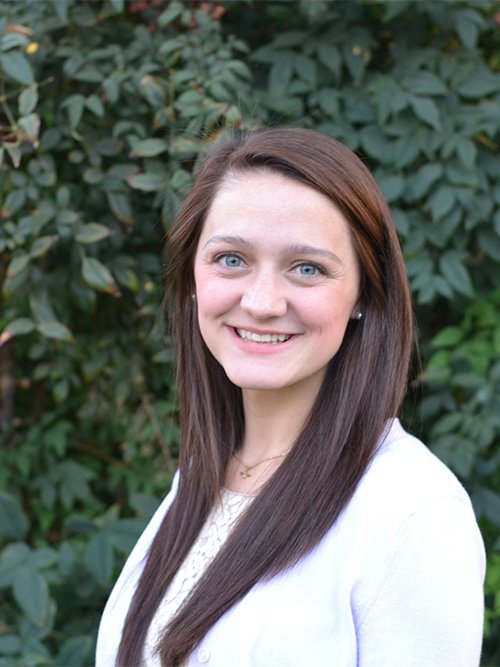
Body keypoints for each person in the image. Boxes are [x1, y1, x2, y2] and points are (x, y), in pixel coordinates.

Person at [96, 128, 485, 667]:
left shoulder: (406, 511)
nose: (260, 302)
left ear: (363, 296)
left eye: (307, 268)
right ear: (192, 277)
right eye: (231, 259)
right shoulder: (201, 479)